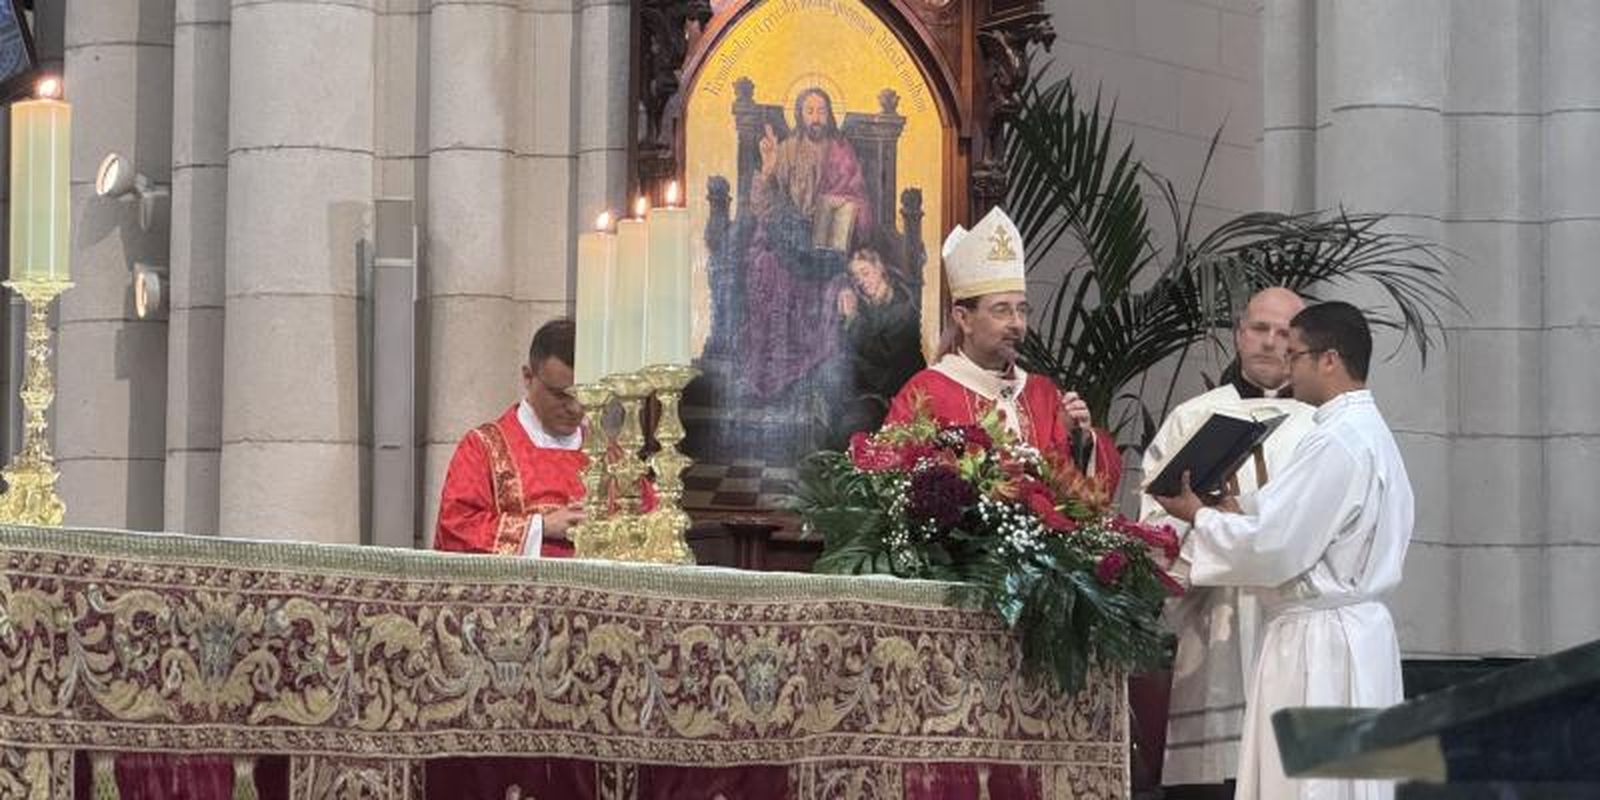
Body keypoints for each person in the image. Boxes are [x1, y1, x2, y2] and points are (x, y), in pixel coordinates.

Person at [1150, 301, 1413, 800]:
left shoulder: (1338, 439)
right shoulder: (1364, 431)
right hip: (1350, 635)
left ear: (1329, 359)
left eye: (1296, 355)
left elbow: (1278, 547)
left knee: (1309, 787)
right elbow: (1288, 512)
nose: (1287, 366)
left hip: (1321, 644)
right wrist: (1233, 506)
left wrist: (1198, 516)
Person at [1140, 287, 1318, 799]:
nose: (1270, 342)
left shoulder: (1322, 426)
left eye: (1284, 333)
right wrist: (1206, 529)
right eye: (1259, 329)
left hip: (1287, 623)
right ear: (1239, 335)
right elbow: (1153, 529)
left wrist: (1232, 531)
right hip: (1212, 629)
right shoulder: (1192, 419)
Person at [885, 207, 1121, 488]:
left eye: (1022, 310)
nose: (1017, 324)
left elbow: (1077, 493)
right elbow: (891, 480)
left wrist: (1078, 436)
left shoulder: (1043, 393)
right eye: (1001, 310)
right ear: (964, 318)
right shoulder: (925, 392)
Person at [737, 87, 872, 403]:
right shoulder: (784, 150)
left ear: (830, 114)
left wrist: (842, 211)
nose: (816, 117)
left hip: (829, 246)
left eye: (821, 110)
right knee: (766, 269)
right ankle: (778, 379)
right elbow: (762, 207)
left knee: (831, 286)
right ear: (799, 114)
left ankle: (817, 377)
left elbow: (859, 200)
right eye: (809, 110)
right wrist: (768, 170)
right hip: (789, 241)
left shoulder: (842, 151)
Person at [434, 319, 587, 558]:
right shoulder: (483, 448)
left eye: (585, 394)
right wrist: (540, 528)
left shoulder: (610, 457)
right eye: (560, 395)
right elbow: (455, 530)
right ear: (528, 377)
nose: (575, 408)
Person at [831, 248, 926, 439]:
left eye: (865, 273)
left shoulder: (903, 306)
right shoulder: (864, 303)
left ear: (880, 268)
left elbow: (884, 355)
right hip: (865, 388)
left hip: (895, 393)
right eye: (856, 277)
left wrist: (854, 320)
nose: (861, 281)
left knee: (850, 428)